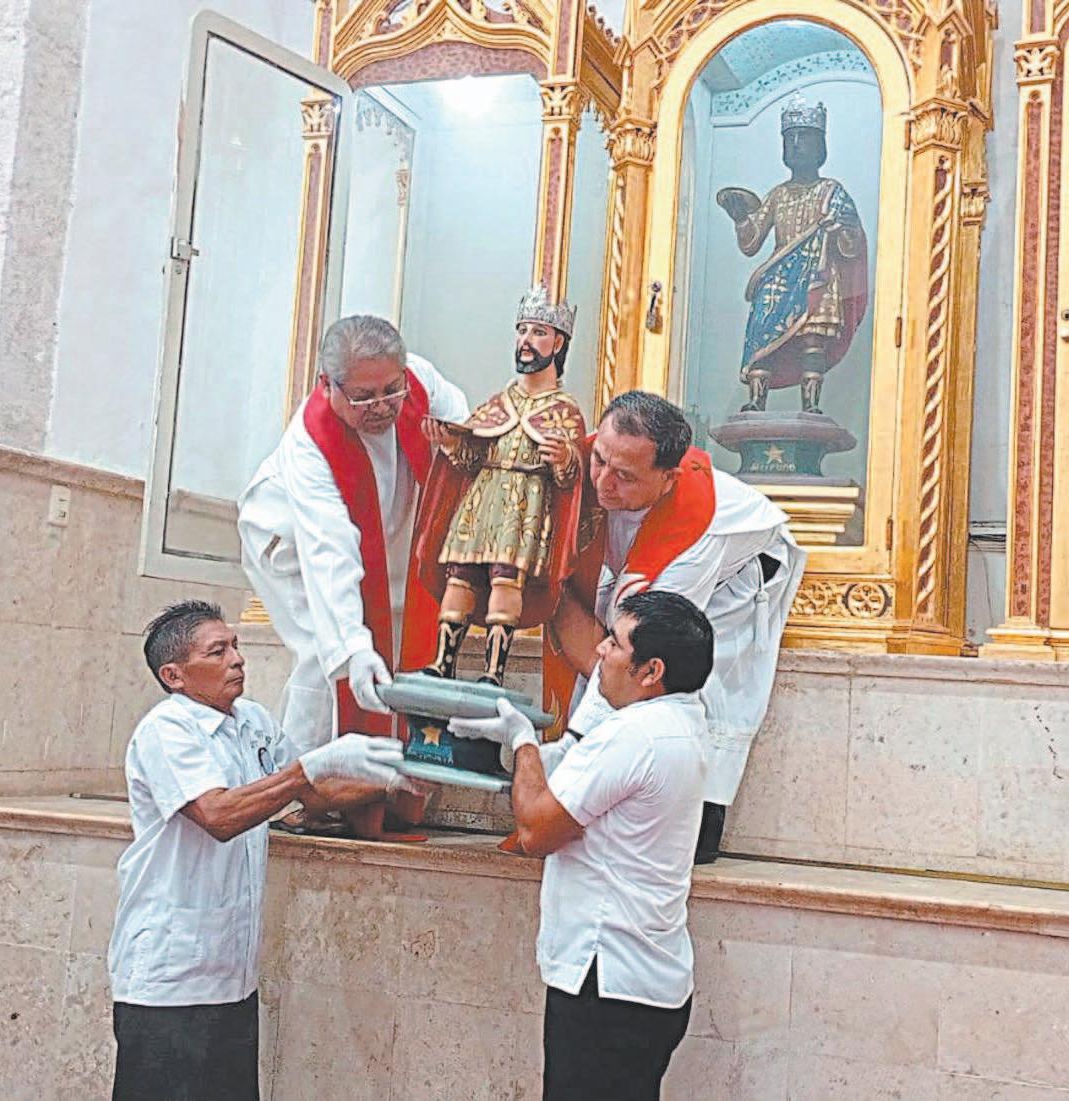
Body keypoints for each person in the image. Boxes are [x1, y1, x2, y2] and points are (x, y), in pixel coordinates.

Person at [108, 601, 412, 1101]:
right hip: (169, 979)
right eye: (217, 651)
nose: (237, 659)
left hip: (233, 979)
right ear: (174, 675)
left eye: (235, 645)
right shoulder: (166, 731)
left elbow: (314, 793)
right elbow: (218, 815)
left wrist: (398, 778)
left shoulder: (251, 720)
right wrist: (304, 769)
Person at [450, 591, 713, 1101]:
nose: (600, 651)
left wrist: (523, 742)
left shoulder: (635, 733)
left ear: (651, 670)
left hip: (607, 982)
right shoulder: (682, 720)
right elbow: (585, 780)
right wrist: (524, 750)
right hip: (647, 979)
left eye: (614, 643)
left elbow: (536, 832)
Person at [546, 390, 806, 864]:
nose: (602, 483)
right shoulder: (583, 460)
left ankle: (695, 819)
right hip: (638, 567)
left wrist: (567, 763)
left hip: (738, 582)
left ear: (667, 479)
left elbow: (631, 658)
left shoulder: (694, 540)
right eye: (600, 460)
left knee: (685, 679)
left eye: (624, 476)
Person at [237, 315, 468, 834]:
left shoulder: (420, 382)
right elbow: (329, 552)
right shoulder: (311, 444)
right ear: (328, 385)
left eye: (392, 390)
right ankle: (291, 792)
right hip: (290, 542)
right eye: (364, 397)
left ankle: (376, 791)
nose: (383, 406)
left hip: (381, 537)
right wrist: (352, 647)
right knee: (325, 656)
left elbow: (468, 432)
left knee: (396, 648)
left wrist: (460, 444)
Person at [415, 286, 588, 686]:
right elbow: (471, 459)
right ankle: (443, 662)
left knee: (506, 578)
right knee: (460, 576)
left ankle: (494, 670)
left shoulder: (564, 411)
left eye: (538, 332)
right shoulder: (497, 403)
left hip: (526, 506)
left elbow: (572, 480)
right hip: (482, 500)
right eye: (522, 330)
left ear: (558, 343)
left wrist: (565, 459)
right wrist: (452, 444)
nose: (526, 340)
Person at [716, 92, 868, 414]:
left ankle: (810, 406)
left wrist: (841, 229)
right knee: (763, 335)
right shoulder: (778, 195)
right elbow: (751, 243)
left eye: (804, 137)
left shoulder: (832, 192)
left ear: (820, 146)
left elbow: (851, 245)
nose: (796, 144)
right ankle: (756, 402)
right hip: (779, 277)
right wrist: (740, 217)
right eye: (790, 138)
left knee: (813, 340)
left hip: (818, 276)